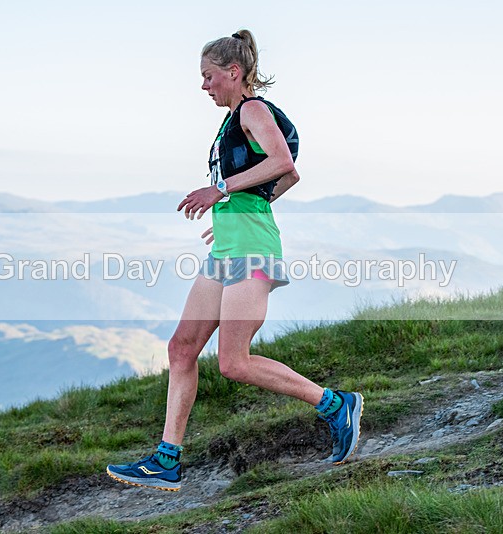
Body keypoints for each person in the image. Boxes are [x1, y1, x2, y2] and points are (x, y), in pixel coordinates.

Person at [106, 29, 363, 492]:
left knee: (233, 362)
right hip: (230, 243)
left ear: (233, 72)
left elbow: (284, 161)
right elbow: (285, 177)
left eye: (208, 76)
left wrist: (223, 193)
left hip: (252, 249)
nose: (203, 86)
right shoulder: (231, 120)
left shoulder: (252, 109)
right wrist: (234, 211)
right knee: (182, 347)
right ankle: (167, 460)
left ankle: (335, 404)